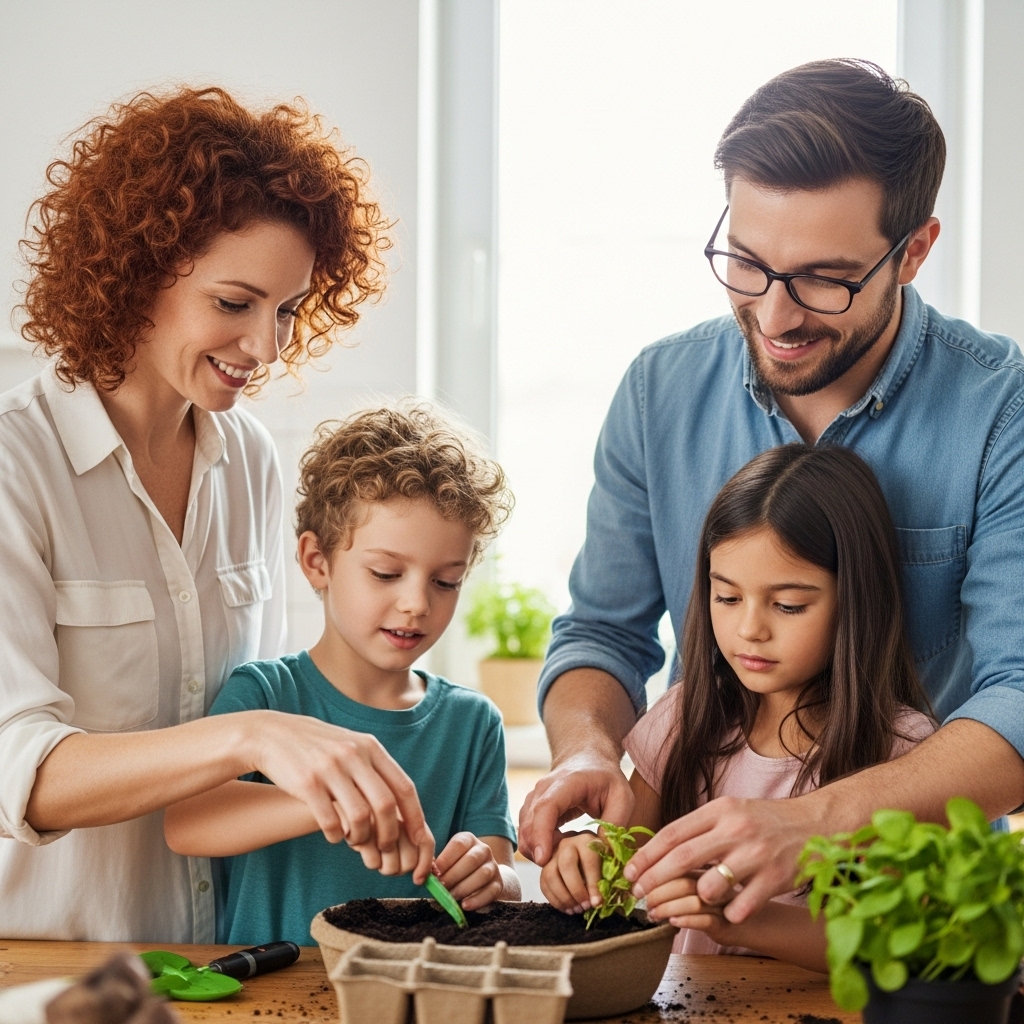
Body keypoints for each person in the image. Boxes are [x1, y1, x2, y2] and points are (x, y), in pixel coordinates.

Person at [519, 58, 1024, 926]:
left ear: (915, 252)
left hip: (910, 923)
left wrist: (809, 822)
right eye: (745, 263)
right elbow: (603, 632)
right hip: (692, 925)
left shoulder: (1001, 410)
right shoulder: (659, 390)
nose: (776, 315)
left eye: (825, 278)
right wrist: (585, 753)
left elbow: (1018, 695)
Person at [0, 86, 435, 943]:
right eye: (235, 305)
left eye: (287, 311)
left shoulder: (248, 462)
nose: (267, 349)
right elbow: (23, 773)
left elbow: (252, 718)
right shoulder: (18, 464)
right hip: (50, 967)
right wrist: (253, 738)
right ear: (135, 273)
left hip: (216, 963)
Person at [540, 444, 933, 971]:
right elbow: (624, 857)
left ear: (856, 600)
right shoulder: (687, 716)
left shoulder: (906, 755)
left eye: (789, 605)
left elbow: (895, 943)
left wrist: (740, 917)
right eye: (726, 597)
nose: (749, 629)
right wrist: (583, 858)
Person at [163, 404, 521, 945]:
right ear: (316, 561)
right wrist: (330, 801)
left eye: (446, 581)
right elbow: (186, 822)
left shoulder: (472, 724)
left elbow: (499, 872)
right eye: (386, 573)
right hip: (274, 989)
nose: (416, 603)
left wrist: (495, 880)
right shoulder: (266, 697)